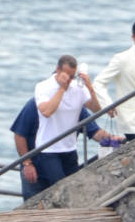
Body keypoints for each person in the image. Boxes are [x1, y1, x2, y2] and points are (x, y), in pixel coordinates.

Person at [11, 98, 122, 200]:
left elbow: (94, 131)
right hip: (35, 167)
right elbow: (19, 135)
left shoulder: (75, 106)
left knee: (65, 198)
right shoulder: (35, 105)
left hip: (64, 164)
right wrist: (27, 164)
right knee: (34, 204)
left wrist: (112, 139)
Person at [33, 55, 102, 188]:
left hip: (70, 148)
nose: (69, 80)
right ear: (58, 70)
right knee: (60, 187)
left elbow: (96, 109)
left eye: (72, 76)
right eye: (67, 76)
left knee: (74, 188)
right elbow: (47, 112)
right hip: (48, 148)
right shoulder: (43, 87)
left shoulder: (78, 87)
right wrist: (62, 89)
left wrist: (89, 87)